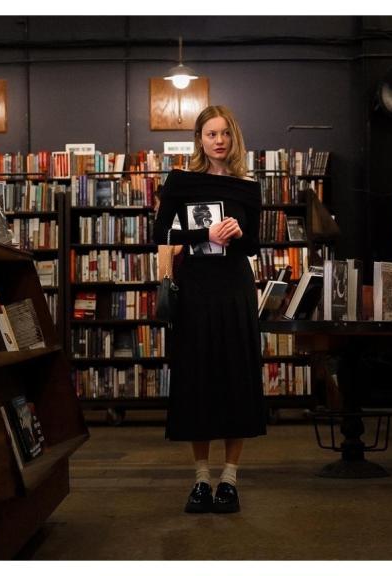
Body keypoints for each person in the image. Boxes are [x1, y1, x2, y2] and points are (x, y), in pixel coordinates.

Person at [153, 105, 265, 514]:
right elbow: (160, 233)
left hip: (234, 288)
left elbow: (253, 246)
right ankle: (201, 479)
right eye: (211, 134)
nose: (219, 141)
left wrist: (237, 233)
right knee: (197, 379)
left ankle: (229, 479)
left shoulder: (247, 187)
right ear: (199, 139)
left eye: (225, 133)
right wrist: (206, 232)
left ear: (234, 138)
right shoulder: (181, 182)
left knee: (236, 377)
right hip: (196, 289)